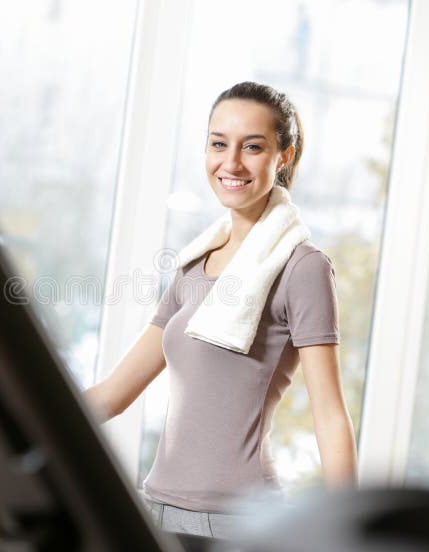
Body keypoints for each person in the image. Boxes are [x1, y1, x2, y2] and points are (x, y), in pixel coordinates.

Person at [84, 82, 358, 539]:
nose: (231, 163)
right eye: (218, 144)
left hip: (239, 526)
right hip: (156, 510)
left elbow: (329, 413)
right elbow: (113, 393)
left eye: (253, 147)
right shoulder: (194, 264)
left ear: (283, 157)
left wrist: (350, 536)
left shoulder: (303, 268)